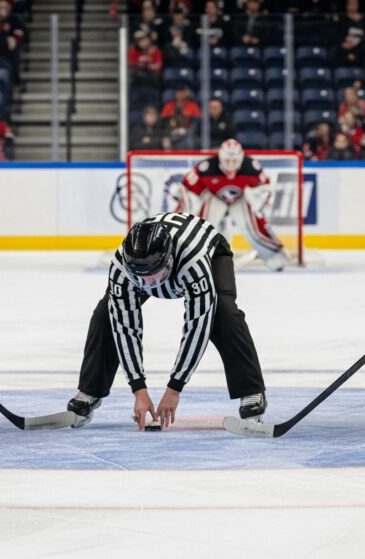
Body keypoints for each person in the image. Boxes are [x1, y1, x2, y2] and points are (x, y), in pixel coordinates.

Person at [66, 214, 268, 430]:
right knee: (105, 314)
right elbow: (125, 328)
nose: (148, 283)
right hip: (162, 268)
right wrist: (139, 389)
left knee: (224, 313)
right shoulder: (121, 268)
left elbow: (198, 326)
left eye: (153, 275)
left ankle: (251, 392)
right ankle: (90, 391)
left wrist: (174, 388)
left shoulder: (193, 262)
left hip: (211, 252)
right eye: (139, 277)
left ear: (169, 259)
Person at [176, 139, 286, 271]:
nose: (230, 165)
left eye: (234, 161)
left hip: (240, 198)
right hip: (214, 197)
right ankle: (193, 258)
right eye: (227, 161)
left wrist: (259, 201)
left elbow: (266, 187)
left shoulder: (251, 167)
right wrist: (189, 206)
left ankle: (274, 256)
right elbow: (186, 187)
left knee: (253, 228)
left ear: (241, 159)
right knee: (203, 228)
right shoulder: (206, 168)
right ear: (220, 157)